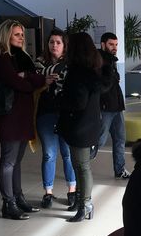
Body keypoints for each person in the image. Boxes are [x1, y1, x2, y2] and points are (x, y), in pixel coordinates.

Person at [0, 19, 53, 220]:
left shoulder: (22, 56)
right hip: (9, 114)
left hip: (24, 113)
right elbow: (18, 83)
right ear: (6, 35)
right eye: (17, 34)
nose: (21, 37)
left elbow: (32, 78)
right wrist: (30, 81)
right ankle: (8, 203)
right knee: (9, 160)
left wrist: (27, 76)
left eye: (22, 34)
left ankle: (18, 197)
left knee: (17, 160)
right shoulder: (1, 56)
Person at [56, 32, 102, 222]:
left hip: (79, 125)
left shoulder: (78, 72)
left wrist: (59, 97)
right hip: (89, 123)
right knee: (78, 165)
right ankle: (81, 203)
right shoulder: (94, 68)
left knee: (82, 166)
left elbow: (78, 101)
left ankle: (85, 205)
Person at [35, 28, 77, 209]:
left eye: (58, 42)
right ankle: (48, 193)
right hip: (45, 113)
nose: (54, 45)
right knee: (49, 154)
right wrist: (43, 82)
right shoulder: (38, 64)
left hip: (65, 113)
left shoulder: (70, 65)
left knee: (68, 153)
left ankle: (72, 190)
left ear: (64, 46)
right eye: (51, 42)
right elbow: (31, 85)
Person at [93, 32, 130, 179]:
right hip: (105, 107)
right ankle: (80, 164)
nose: (114, 47)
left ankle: (119, 170)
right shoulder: (98, 61)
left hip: (116, 106)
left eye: (116, 45)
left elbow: (112, 81)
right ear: (103, 44)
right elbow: (102, 84)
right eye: (111, 44)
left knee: (120, 139)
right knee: (100, 140)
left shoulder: (111, 60)